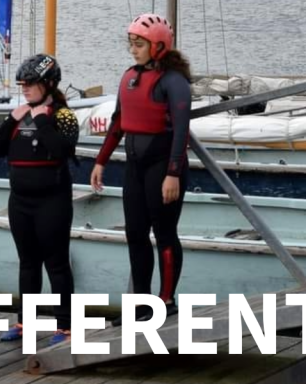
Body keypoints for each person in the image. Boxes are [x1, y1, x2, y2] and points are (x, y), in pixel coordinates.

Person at [90, 13, 192, 326]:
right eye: (131, 44)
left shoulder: (174, 82)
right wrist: (101, 160)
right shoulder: (130, 76)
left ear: (158, 46)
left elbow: (180, 131)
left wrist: (173, 173)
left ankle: (166, 301)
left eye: (139, 44)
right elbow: (119, 122)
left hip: (164, 167)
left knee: (164, 233)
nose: (133, 50)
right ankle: (141, 305)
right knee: (135, 234)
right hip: (135, 166)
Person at [0, 54, 78, 346]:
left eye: (30, 83)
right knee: (27, 263)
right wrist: (9, 120)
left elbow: (61, 151)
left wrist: (41, 121)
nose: (24, 88)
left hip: (52, 201)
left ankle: (65, 326)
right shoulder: (19, 114)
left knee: (56, 264)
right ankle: (24, 322)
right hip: (21, 201)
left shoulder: (62, 115)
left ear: (49, 84)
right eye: (22, 84)